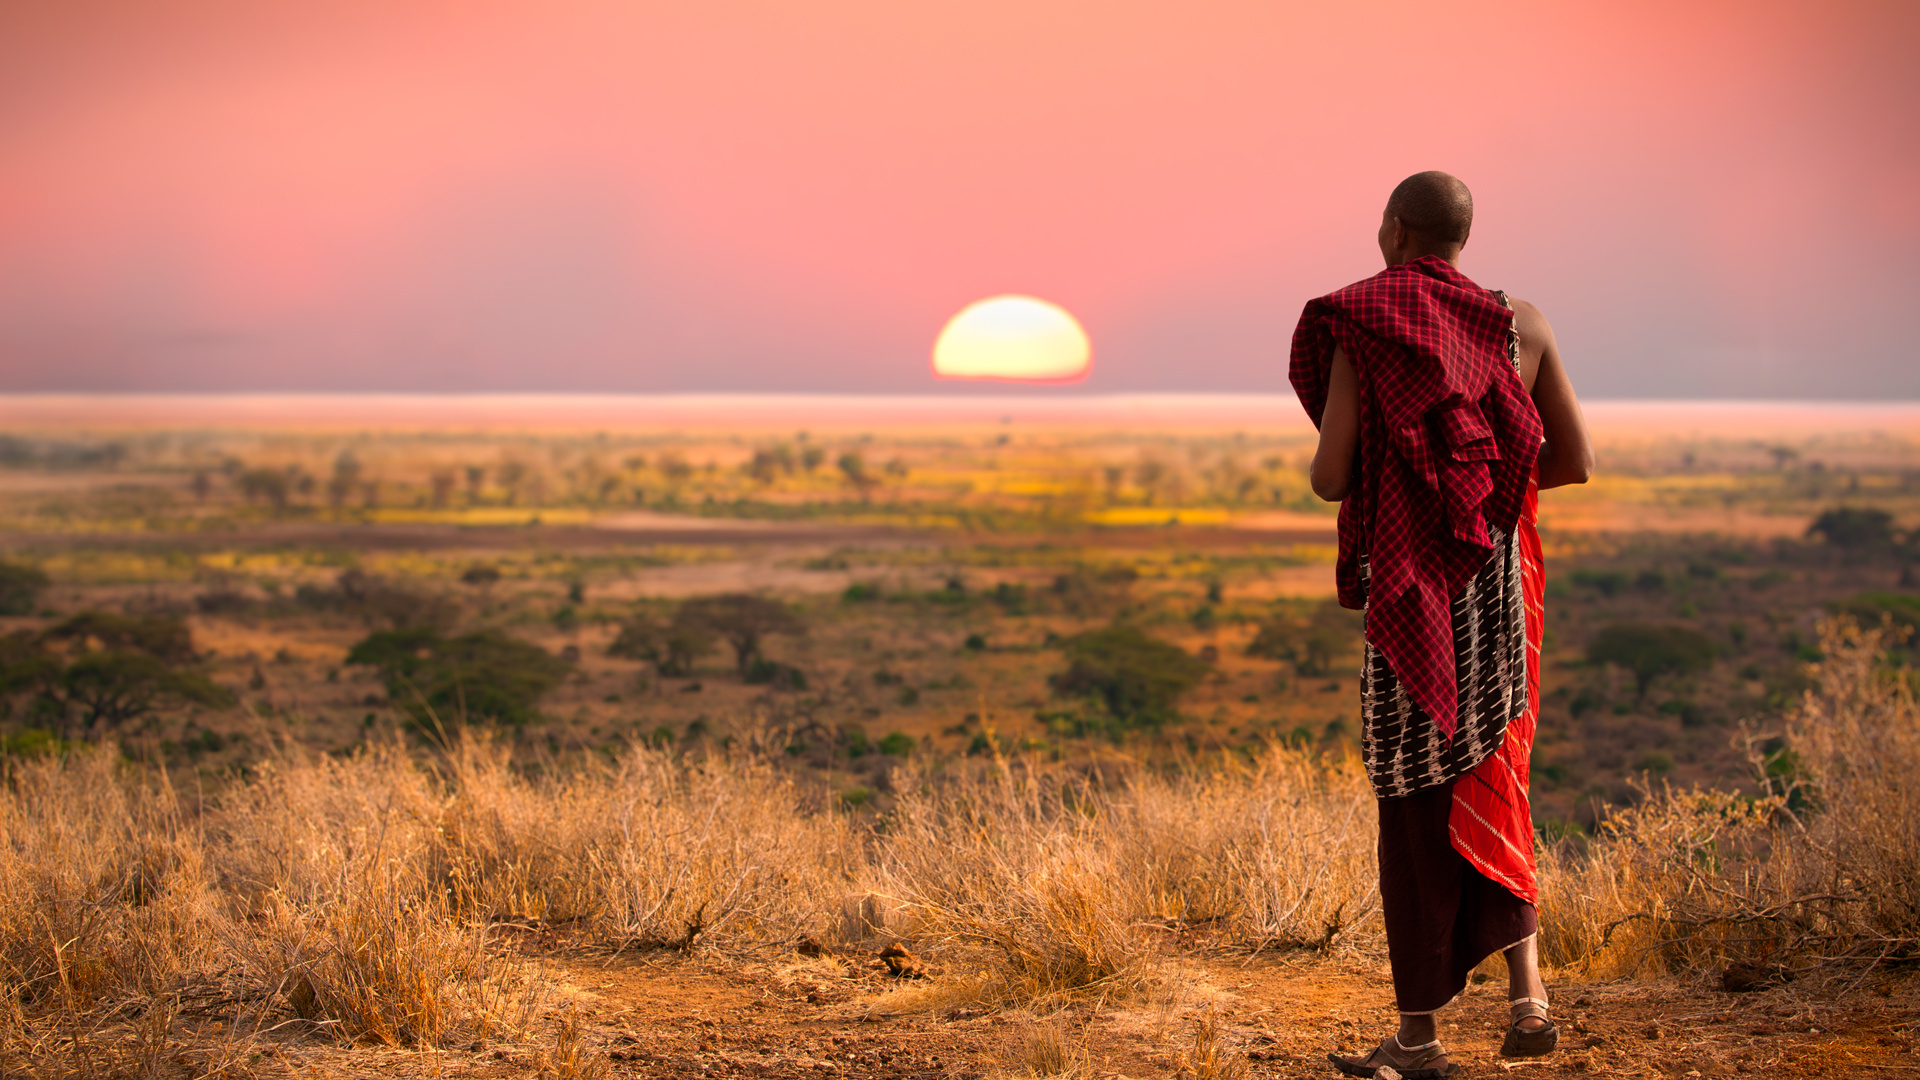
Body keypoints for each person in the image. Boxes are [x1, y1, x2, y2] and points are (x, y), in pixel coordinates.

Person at [1292, 171, 1593, 1080]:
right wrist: (1476, 493)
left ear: (1392, 230)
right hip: (1493, 586)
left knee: (1414, 798)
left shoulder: (1363, 325)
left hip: (1412, 595)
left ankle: (1418, 1038)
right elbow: (1572, 459)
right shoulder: (1523, 324)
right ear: (1463, 236)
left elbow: (1331, 476)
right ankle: (1529, 999)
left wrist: (1418, 498)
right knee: (1493, 775)